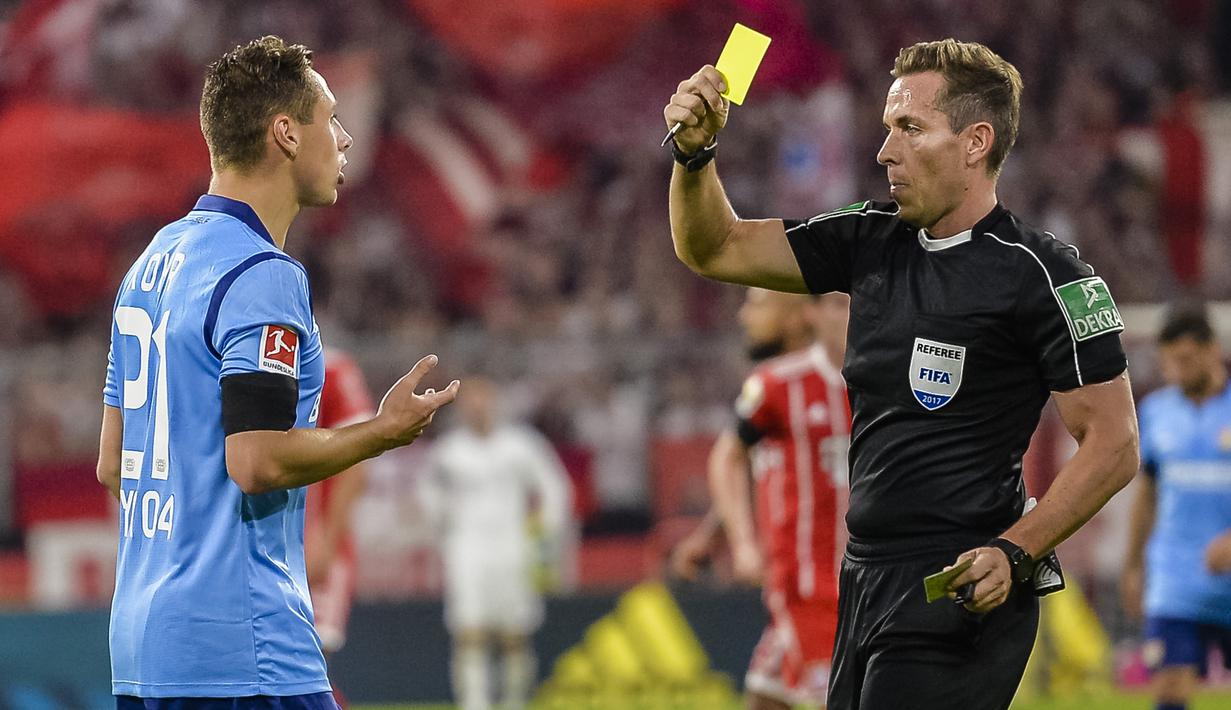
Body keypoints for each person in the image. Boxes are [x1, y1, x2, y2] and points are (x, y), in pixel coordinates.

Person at [663, 38, 1139, 709]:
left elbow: (1114, 442)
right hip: (863, 577)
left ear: (975, 142)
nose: (885, 151)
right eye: (888, 128)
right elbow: (714, 247)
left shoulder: (1045, 276)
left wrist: (1016, 550)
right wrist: (694, 156)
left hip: (959, 580)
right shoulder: (869, 240)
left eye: (910, 128)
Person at [95, 36, 459, 707]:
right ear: (286, 133)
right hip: (243, 648)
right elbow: (256, 461)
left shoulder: (150, 264)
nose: (345, 139)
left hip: (143, 648)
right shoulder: (262, 273)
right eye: (332, 119)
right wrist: (381, 432)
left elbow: (113, 465)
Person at [672, 288, 851, 710]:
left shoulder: (871, 383)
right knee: (767, 697)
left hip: (832, 585)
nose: (744, 316)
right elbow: (736, 460)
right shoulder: (774, 387)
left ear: (799, 315)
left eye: (758, 303)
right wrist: (729, 538)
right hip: (799, 583)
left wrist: (728, 538)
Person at [422, 376, 573, 710]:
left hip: (512, 549)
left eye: (483, 401)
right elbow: (430, 493)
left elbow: (554, 486)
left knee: (514, 634)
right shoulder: (449, 451)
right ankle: (474, 703)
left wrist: (545, 532)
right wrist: (442, 528)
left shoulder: (521, 445)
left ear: (494, 403)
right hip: (467, 550)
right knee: (469, 631)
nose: (477, 408)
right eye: (470, 403)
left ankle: (515, 702)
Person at [1122, 306, 1231, 710]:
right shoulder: (1155, 411)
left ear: (1212, 350)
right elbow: (1147, 494)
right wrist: (1134, 565)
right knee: (1170, 687)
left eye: (1185, 360)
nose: (1176, 370)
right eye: (1169, 361)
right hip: (1175, 580)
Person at [305, 349, 376, 707]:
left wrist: (328, 542)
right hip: (259, 545)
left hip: (314, 542)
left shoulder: (330, 368)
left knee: (310, 662)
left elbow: (357, 460)